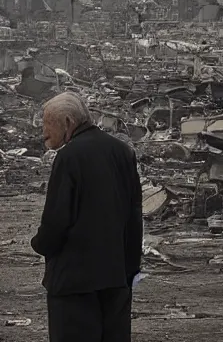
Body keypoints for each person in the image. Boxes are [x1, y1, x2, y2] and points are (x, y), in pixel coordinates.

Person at [31, 92, 143, 342]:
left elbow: (56, 222)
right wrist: (130, 270)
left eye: (48, 124)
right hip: (115, 279)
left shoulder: (68, 157)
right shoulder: (123, 151)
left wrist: (39, 244)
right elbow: (134, 216)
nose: (43, 133)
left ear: (68, 122)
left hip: (73, 284)